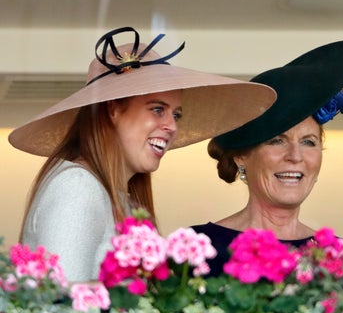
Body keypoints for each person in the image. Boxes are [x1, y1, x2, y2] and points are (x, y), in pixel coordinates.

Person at [9, 26, 277, 283]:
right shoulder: (78, 187)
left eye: (176, 114)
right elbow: (63, 311)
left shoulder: (119, 196)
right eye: (157, 109)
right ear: (113, 109)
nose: (172, 126)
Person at [192, 40, 343, 277]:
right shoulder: (197, 249)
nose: (295, 156)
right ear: (242, 156)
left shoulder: (342, 258)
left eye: (308, 142)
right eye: (277, 140)